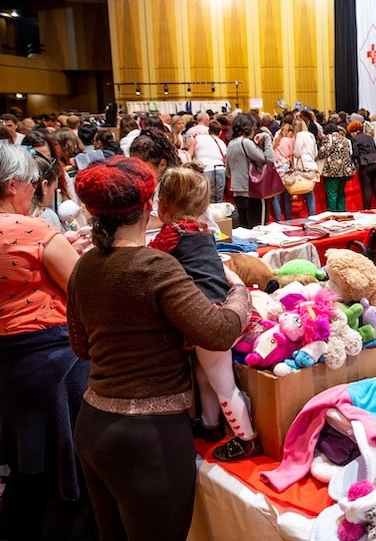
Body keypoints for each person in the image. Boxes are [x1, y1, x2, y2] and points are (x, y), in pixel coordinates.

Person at [68, 155, 251, 540]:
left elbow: (81, 347)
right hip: (148, 439)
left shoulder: (84, 266)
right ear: (148, 206)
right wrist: (238, 291)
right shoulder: (155, 266)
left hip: (92, 426)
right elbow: (217, 332)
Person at [0, 141, 92, 541]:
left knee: (27, 467)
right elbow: (83, 290)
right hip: (52, 360)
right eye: (33, 183)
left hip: (2, 363)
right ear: (13, 184)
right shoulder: (32, 229)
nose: (36, 191)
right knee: (68, 471)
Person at [149, 164, 260, 461]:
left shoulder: (171, 233)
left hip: (206, 317)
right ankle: (210, 424)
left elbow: (150, 260)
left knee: (222, 382)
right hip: (222, 309)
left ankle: (245, 438)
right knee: (205, 373)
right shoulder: (204, 231)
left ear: (165, 203)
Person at [226, 113, 273, 228]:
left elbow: (228, 172)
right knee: (259, 229)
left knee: (245, 230)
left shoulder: (231, 144)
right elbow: (269, 159)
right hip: (252, 192)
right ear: (248, 127)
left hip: (237, 192)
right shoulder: (246, 143)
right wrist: (266, 137)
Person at [317, 121, 356, 212]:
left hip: (332, 171)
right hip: (345, 170)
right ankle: (342, 213)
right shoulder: (345, 139)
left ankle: (332, 214)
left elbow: (322, 154)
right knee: (341, 193)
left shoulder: (328, 138)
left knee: (332, 194)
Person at [187, 116, 228, 203]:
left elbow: (189, 155)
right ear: (220, 132)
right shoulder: (221, 142)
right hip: (220, 169)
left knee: (204, 199)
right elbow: (225, 157)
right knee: (218, 200)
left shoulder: (197, 138)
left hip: (204, 169)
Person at [347, 119, 376, 209]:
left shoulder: (354, 139)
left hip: (365, 164)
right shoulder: (369, 137)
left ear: (353, 131)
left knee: (367, 188)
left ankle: (367, 209)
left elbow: (355, 154)